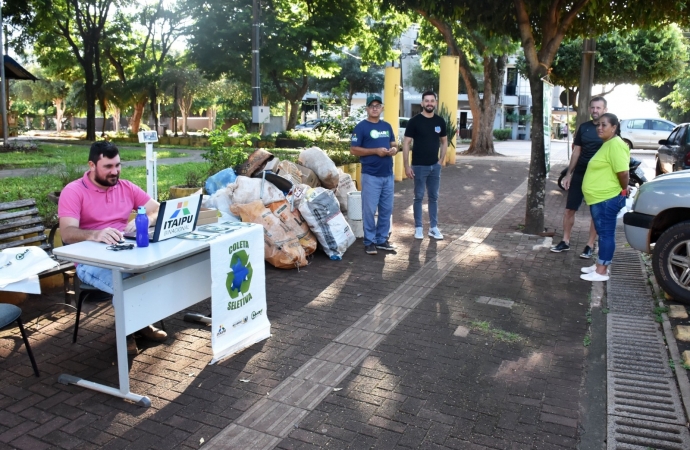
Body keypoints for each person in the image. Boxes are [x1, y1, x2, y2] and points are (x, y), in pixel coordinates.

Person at [58, 141, 167, 355]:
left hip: (125, 252)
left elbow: (157, 209)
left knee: (155, 272)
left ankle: (140, 324)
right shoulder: (73, 191)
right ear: (91, 165)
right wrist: (95, 234)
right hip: (90, 261)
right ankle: (127, 332)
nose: (115, 171)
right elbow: (67, 233)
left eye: (118, 165)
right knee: (127, 283)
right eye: (108, 166)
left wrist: (145, 220)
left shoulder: (125, 187)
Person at [551, 96, 608, 258]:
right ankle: (565, 241)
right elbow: (577, 151)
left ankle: (590, 245)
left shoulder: (610, 128)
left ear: (605, 110)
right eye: (593, 108)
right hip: (581, 173)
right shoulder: (584, 128)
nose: (595, 110)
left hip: (599, 176)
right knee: (570, 209)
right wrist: (569, 173)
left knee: (595, 212)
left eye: (598, 108)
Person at [580, 113, 629, 281]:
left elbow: (623, 172)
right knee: (603, 233)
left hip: (607, 199)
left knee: (607, 234)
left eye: (604, 125)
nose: (599, 128)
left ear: (614, 128)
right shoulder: (607, 144)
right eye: (598, 125)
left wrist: (623, 190)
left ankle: (602, 271)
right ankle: (599, 265)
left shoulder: (616, 144)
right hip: (600, 198)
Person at [350, 94, 397, 255]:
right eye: (372, 106)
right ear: (367, 109)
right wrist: (375, 151)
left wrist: (394, 150)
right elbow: (354, 149)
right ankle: (369, 241)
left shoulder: (387, 126)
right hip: (371, 175)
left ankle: (382, 239)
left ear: (382, 108)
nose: (375, 108)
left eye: (378, 105)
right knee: (369, 210)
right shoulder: (361, 127)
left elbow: (393, 143)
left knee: (386, 209)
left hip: (388, 175)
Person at [402, 90, 448, 240]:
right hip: (419, 167)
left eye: (432, 101)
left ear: (435, 103)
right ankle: (419, 228)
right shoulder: (414, 121)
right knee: (418, 197)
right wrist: (406, 166)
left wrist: (440, 161)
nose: (429, 103)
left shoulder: (440, 121)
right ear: (422, 103)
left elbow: (444, 141)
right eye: (426, 101)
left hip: (435, 166)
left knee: (434, 197)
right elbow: (407, 142)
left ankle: (433, 228)